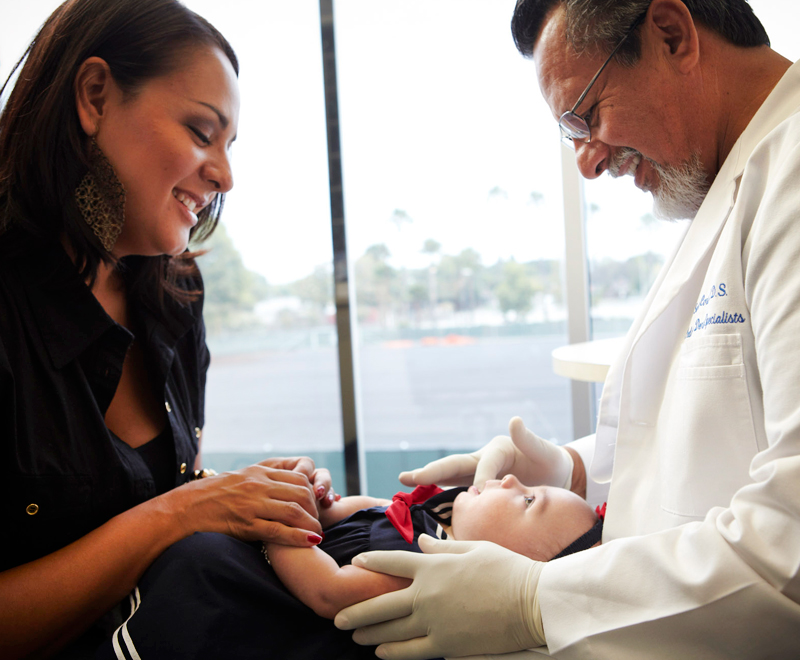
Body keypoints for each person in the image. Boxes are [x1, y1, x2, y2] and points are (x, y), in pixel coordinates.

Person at [333, 1, 800, 658]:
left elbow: (792, 547)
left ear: (671, 34)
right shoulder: (726, 180)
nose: (587, 162)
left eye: (588, 115)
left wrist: (535, 601)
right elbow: (714, 432)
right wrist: (572, 470)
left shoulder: (792, 171)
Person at [0, 1, 338, 658]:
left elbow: (163, 496)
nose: (225, 175)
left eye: (229, 146)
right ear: (95, 96)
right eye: (201, 131)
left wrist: (251, 499)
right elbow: (161, 516)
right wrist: (183, 513)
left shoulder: (175, 295)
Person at [266, 477, 602, 620]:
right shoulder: (430, 516)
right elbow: (361, 509)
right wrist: (307, 501)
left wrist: (274, 526)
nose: (512, 478)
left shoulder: (428, 571)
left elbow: (330, 591)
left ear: (509, 563)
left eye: (528, 500)